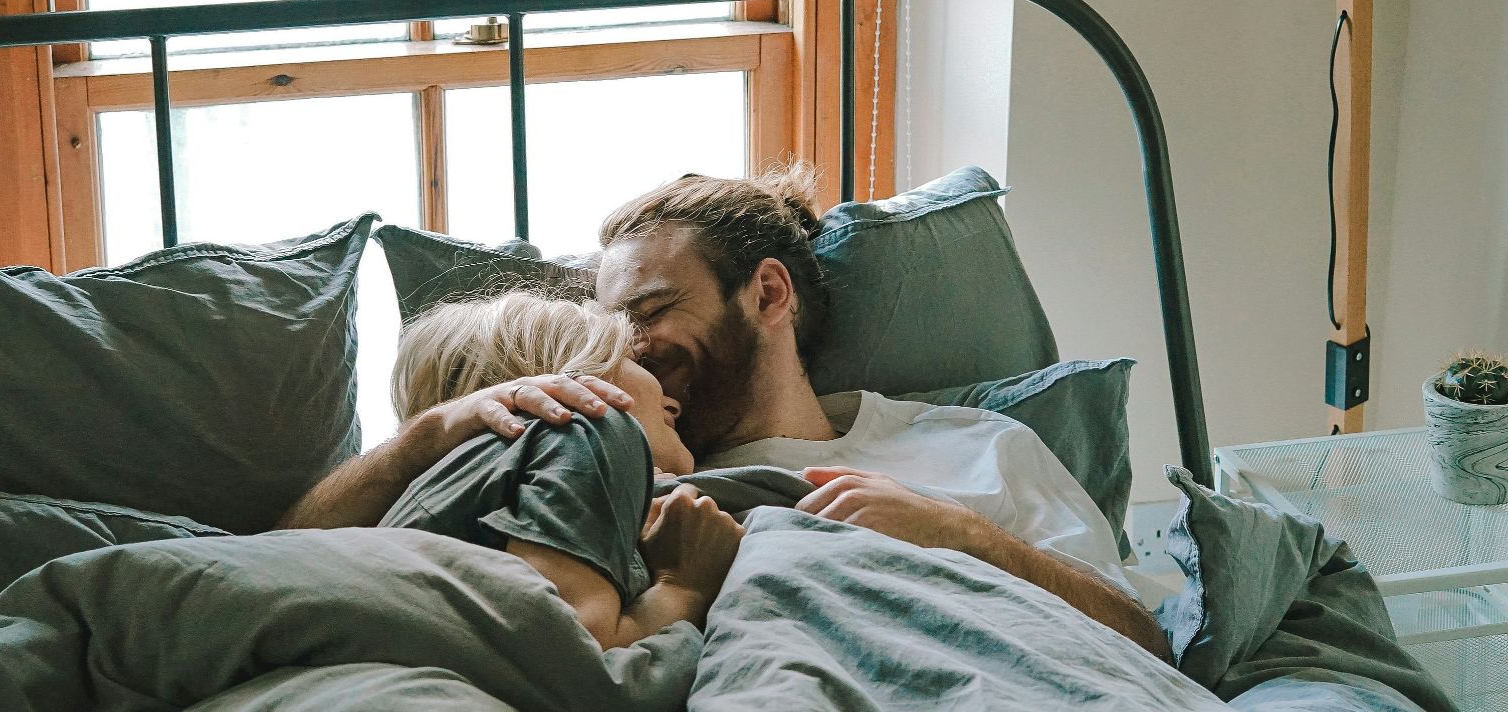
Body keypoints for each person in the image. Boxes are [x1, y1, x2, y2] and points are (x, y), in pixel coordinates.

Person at [280, 167, 1169, 662]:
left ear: (768, 294)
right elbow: (295, 556)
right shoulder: (598, 454)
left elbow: (1149, 645)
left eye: (651, 312)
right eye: (608, 327)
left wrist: (962, 538)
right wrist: (433, 434)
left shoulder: (976, 451)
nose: (625, 346)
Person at [318, 290, 742, 651]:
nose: (674, 401)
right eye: (639, 364)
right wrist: (682, 589)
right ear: (570, 373)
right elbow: (577, 653)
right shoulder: (584, 430)